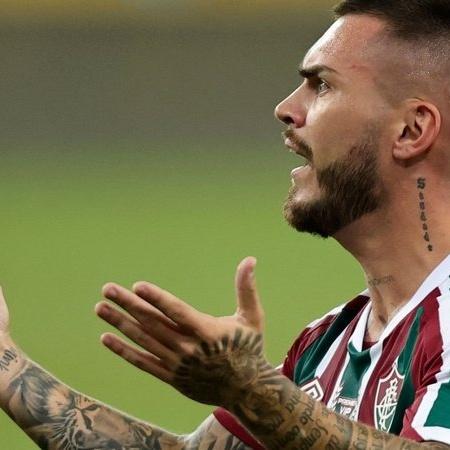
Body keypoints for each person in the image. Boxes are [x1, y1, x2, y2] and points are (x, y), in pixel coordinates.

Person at [1, 0, 450, 448]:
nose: (286, 108)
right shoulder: (328, 344)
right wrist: (6, 364)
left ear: (411, 130)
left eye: (322, 85)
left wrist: (252, 390)